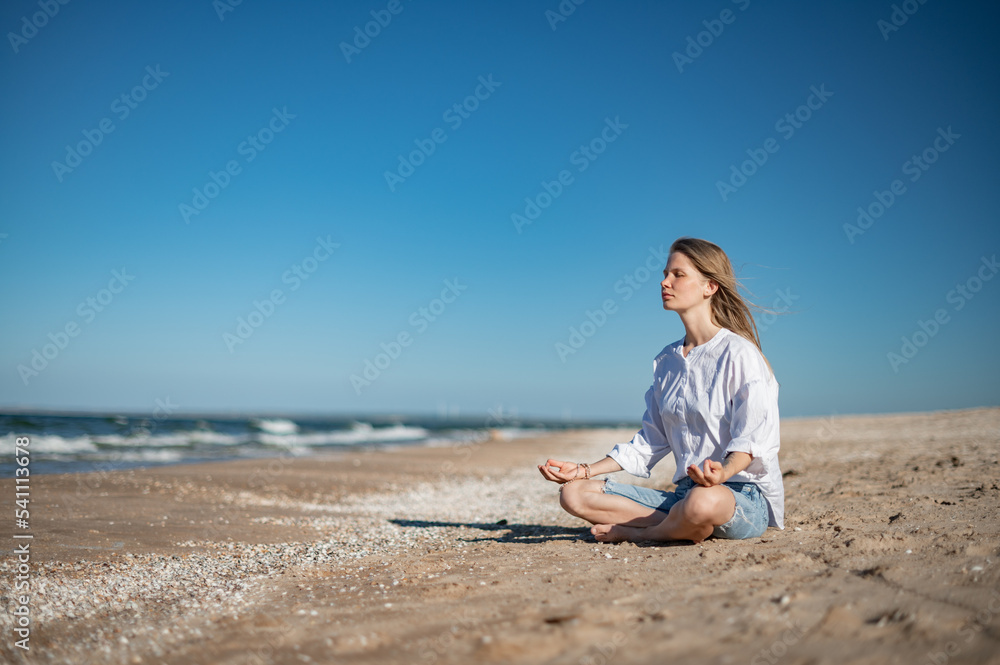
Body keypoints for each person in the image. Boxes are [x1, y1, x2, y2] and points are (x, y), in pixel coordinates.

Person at [538, 237, 784, 544]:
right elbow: (649, 443)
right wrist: (584, 470)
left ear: (710, 287)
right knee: (574, 494)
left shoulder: (740, 353)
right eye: (666, 273)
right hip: (685, 496)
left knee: (702, 502)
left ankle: (645, 532)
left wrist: (721, 473)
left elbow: (752, 440)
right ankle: (682, 525)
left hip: (737, 497)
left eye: (678, 275)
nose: (664, 282)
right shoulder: (667, 360)